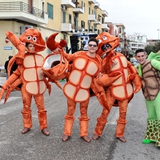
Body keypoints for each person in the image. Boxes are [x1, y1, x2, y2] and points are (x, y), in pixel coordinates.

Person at [0, 28, 51, 136]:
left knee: (41, 108)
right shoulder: (22, 58)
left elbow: (47, 71)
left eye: (33, 45)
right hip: (26, 87)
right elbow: (16, 74)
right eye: (30, 45)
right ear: (27, 47)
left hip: (38, 87)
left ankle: (44, 127)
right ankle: (27, 126)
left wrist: (48, 75)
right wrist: (5, 86)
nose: (32, 47)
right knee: (26, 107)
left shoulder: (41, 57)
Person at [60, 38, 102, 143]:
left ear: (97, 48)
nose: (92, 47)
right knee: (70, 111)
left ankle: (84, 134)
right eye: (90, 45)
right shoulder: (79, 54)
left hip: (84, 90)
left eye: (94, 46)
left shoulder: (98, 60)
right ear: (87, 46)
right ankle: (66, 133)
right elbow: (67, 57)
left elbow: (99, 75)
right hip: (72, 88)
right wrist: (60, 49)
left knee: (84, 112)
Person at [135, 49, 160, 147]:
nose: (141, 58)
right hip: (147, 95)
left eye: (142, 56)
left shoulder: (152, 62)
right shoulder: (137, 68)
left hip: (158, 92)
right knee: (151, 116)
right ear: (136, 58)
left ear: (146, 55)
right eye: (138, 56)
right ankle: (151, 137)